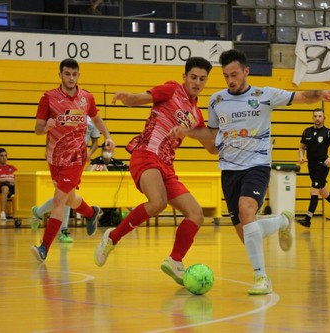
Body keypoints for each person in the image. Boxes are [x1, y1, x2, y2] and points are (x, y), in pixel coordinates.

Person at [170, 49, 330, 295]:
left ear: (246, 71)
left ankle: (261, 278)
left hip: (257, 165)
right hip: (229, 170)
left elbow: (301, 96)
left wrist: (320, 93)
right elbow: (212, 136)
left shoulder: (265, 95)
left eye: (235, 74)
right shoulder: (217, 100)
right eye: (226, 75)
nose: (231, 80)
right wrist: (187, 132)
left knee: (246, 210)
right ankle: (283, 220)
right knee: (246, 232)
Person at [93, 57, 213, 287]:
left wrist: (232, 138)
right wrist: (128, 98)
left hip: (167, 166)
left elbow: (211, 147)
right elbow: (141, 98)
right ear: (184, 77)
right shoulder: (171, 90)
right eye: (193, 77)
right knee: (157, 202)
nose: (197, 82)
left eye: (202, 79)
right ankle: (112, 237)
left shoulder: (197, 115)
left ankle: (175, 260)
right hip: (145, 154)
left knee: (196, 214)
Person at [31, 58, 114, 263]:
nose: (71, 78)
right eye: (67, 74)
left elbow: (96, 119)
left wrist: (108, 137)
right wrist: (46, 128)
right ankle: (90, 212)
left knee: (59, 200)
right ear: (60, 75)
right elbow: (37, 129)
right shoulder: (48, 98)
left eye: (74, 74)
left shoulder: (86, 97)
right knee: (69, 199)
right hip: (54, 158)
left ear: (78, 75)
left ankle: (44, 248)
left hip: (76, 158)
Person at [30, 116, 100, 243]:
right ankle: (44, 217)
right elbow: (55, 133)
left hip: (78, 160)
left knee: (64, 195)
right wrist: (48, 149)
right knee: (65, 195)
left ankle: (46, 218)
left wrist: (90, 153)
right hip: (63, 158)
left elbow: (95, 141)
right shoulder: (70, 114)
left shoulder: (92, 119)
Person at [298, 109, 330, 228]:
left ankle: (308, 219)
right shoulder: (307, 132)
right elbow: (301, 147)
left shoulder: (328, 133)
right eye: (315, 116)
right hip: (311, 165)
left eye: (320, 116)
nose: (317, 118)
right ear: (312, 118)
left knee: (314, 191)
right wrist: (301, 157)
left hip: (322, 165)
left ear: (324, 118)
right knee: (324, 192)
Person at [0, 148, 17, 221]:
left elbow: (18, 178)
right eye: (2, 156)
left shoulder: (12, 167)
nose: (4, 157)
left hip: (14, 185)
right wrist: (7, 179)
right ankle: (2, 213)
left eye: (5, 155)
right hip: (3, 185)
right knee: (5, 188)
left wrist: (14, 181)